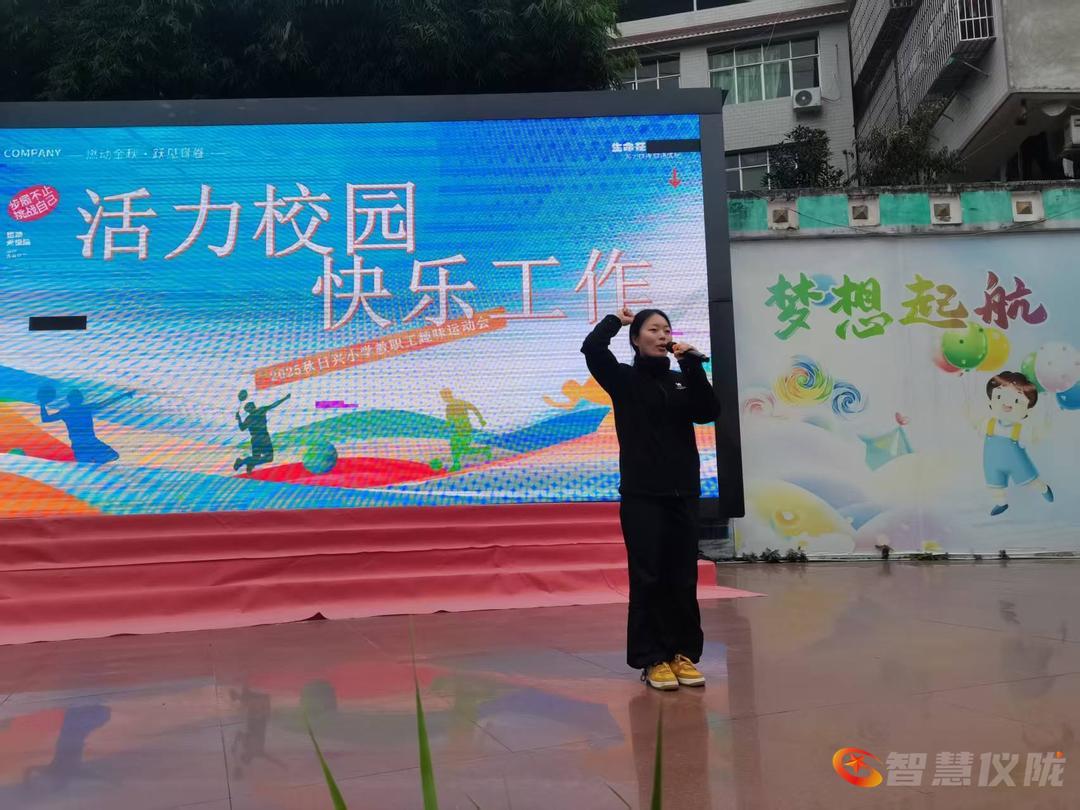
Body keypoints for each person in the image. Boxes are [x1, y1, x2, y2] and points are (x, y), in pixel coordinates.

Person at [582, 306, 719, 691]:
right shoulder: (623, 379)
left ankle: (682, 654)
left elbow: (708, 411)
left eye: (667, 331)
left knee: (683, 576)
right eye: (654, 330)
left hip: (683, 493)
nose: (662, 336)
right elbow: (593, 349)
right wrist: (616, 320)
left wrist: (692, 366)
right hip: (642, 495)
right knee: (649, 577)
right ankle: (652, 658)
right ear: (636, 339)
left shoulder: (681, 379)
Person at [982, 371, 1053, 516]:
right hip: (992, 464)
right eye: (999, 397)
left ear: (1027, 410)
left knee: (1031, 481)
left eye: (1016, 400)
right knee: (995, 485)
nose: (1006, 404)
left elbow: (1034, 438)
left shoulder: (1020, 430)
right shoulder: (988, 424)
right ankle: (1001, 503)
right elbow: (975, 425)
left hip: (1017, 464)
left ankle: (1043, 488)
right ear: (990, 401)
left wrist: (1044, 428)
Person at [38, 387, 133, 463]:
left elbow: (45, 419)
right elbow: (105, 403)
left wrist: (42, 405)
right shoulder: (85, 408)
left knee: (88, 464)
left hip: (78, 443)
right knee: (112, 456)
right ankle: (96, 460)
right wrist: (123, 395)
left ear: (68, 400)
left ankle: (95, 461)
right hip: (90, 441)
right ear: (81, 399)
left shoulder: (65, 412)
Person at [234, 394, 290, 473]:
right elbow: (273, 405)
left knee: (257, 458)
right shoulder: (260, 411)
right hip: (263, 438)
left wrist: (239, 419)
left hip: (257, 439)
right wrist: (285, 398)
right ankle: (246, 463)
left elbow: (242, 428)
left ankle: (247, 463)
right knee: (268, 458)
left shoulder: (249, 418)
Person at [440, 388, 492, 472]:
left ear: (448, 395)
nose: (443, 398)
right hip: (457, 430)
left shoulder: (460, 403)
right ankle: (457, 464)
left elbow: (473, 408)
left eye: (443, 396)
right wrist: (445, 427)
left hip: (465, 429)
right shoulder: (448, 407)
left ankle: (484, 450)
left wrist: (481, 420)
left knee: (460, 448)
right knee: (457, 447)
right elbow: (449, 421)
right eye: (442, 396)